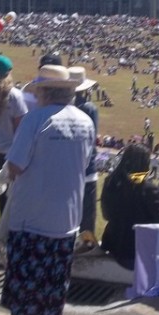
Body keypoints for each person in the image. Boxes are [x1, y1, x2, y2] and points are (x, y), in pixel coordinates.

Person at [0, 65, 95, 315]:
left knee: (23, 272)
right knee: (57, 274)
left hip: (33, 211)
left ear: (43, 92)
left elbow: (15, 164)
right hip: (67, 214)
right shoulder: (85, 121)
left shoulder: (35, 119)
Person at [101, 144, 159, 270]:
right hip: (137, 252)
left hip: (113, 245)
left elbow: (106, 215)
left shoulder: (110, 182)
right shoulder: (147, 189)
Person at [0, 54, 27, 214]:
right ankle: (4, 235)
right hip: (9, 154)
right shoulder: (15, 95)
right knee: (7, 200)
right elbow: (20, 128)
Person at [69, 66, 100, 253]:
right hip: (87, 169)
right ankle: (88, 248)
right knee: (87, 216)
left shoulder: (64, 106)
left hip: (68, 168)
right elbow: (92, 136)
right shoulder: (89, 108)